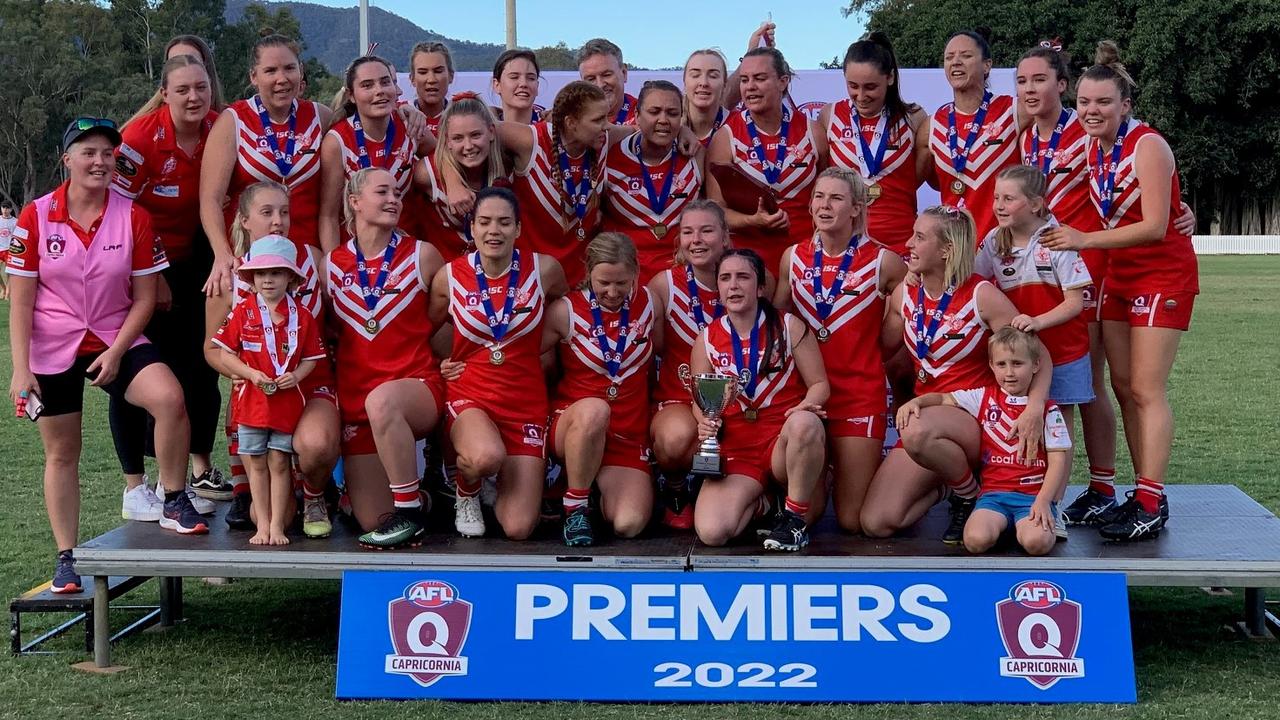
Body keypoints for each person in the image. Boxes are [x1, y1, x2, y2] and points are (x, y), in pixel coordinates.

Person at [7, 118, 204, 594]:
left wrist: (117, 351)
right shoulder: (36, 216)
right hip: (52, 346)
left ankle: (174, 497)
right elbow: (22, 298)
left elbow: (145, 297)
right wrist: (20, 368)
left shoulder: (132, 215)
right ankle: (66, 558)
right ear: (67, 159)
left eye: (108, 154)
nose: (99, 161)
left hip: (118, 334)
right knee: (62, 452)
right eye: (88, 152)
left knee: (169, 398)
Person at [1042, 41, 1199, 541]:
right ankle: (1122, 492)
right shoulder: (1090, 145)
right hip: (1117, 275)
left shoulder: (1148, 145)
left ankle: (1152, 498)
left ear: (1125, 105)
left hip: (1161, 273)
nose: (1091, 111)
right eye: (1084, 103)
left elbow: (1156, 225)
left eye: (1103, 103)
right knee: (1122, 388)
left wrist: (1085, 238)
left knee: (1147, 390)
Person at [860, 205, 1051, 544]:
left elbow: (1040, 356)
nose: (909, 244)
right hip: (929, 418)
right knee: (877, 521)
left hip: (975, 416)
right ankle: (952, 486)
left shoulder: (982, 295)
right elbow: (884, 348)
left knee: (917, 429)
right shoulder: (905, 293)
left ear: (947, 249)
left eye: (920, 238)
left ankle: (970, 495)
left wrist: (1034, 408)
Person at [110, 54, 226, 522]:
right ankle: (135, 487)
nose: (194, 97)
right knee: (138, 368)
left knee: (200, 367)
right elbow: (116, 210)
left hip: (200, 259)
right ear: (164, 93)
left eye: (201, 87)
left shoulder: (222, 128)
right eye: (183, 90)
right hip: (140, 264)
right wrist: (150, 273)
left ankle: (179, 480)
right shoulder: (138, 139)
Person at [430, 187, 567, 539]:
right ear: (472, 228)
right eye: (485, 222)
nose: (495, 231)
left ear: (518, 229)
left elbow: (564, 312)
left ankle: (495, 482)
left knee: (519, 528)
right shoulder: (449, 276)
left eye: (504, 223)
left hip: (525, 402)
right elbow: (426, 327)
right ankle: (467, 489)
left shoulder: (545, 270)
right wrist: (445, 362)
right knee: (485, 456)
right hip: (472, 395)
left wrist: (545, 351)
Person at [775, 168, 906, 533]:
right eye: (819, 196)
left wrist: (879, 352)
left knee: (853, 521)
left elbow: (910, 318)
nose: (824, 205)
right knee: (809, 512)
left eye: (835, 198)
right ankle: (823, 477)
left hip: (859, 396)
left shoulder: (886, 262)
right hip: (807, 398)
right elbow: (776, 324)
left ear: (856, 208)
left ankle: (935, 484)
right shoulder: (792, 257)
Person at [204, 181, 338, 537]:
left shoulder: (313, 258)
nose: (278, 221)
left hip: (308, 382)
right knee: (243, 411)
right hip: (258, 387)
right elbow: (211, 349)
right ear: (244, 220)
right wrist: (242, 373)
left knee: (315, 445)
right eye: (267, 213)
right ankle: (244, 491)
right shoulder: (225, 272)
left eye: (284, 212)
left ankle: (315, 495)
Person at [326, 167, 447, 549]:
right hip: (357, 402)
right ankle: (429, 500)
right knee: (371, 518)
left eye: (397, 192)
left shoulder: (423, 255)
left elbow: (447, 320)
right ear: (355, 202)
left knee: (384, 400)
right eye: (383, 192)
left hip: (416, 389)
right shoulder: (330, 265)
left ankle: (410, 512)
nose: (394, 199)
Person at [977, 165, 1091, 535]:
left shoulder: (1057, 239)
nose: (999, 205)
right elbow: (972, 279)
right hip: (1019, 357)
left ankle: (1052, 506)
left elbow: (1077, 302)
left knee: (1058, 434)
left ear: (1037, 204)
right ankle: (1013, 496)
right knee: (1020, 427)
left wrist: (1039, 322)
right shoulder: (995, 241)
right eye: (996, 198)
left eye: (1009, 198)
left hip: (1067, 350)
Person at [690, 249, 829, 551]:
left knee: (805, 424)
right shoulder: (707, 339)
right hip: (738, 448)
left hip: (782, 442)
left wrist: (805, 407)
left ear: (761, 287)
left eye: (743, 277)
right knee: (713, 532)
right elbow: (699, 400)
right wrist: (704, 422)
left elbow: (819, 384)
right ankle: (767, 504)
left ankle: (793, 519)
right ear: (718, 289)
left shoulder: (789, 326)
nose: (734, 285)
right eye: (725, 278)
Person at [898, 327, 1070, 556]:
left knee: (1036, 543)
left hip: (1032, 497)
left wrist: (1043, 501)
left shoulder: (1047, 411)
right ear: (991, 366)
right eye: (1001, 364)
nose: (1009, 372)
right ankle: (1004, 524)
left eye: (1018, 364)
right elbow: (942, 397)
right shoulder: (982, 397)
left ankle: (1025, 525)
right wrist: (917, 402)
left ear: (1036, 365)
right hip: (993, 496)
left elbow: (1059, 461)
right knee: (975, 540)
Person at [544, 232, 660, 546]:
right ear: (588, 273)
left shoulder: (650, 303)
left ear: (636, 272)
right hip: (576, 424)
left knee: (628, 524)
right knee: (596, 409)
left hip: (626, 434)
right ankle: (576, 507)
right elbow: (531, 364)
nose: (611, 292)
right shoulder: (564, 311)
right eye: (602, 282)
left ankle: (594, 488)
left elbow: (659, 349)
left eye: (621, 283)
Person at [200, 34, 331, 295]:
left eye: (289, 68)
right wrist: (222, 255)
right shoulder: (233, 120)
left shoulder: (321, 116)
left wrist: (410, 111)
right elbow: (210, 200)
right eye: (270, 70)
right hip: (250, 260)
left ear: (300, 71)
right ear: (254, 76)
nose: (281, 79)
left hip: (306, 257)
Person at [647, 201, 730, 528]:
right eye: (687, 232)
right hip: (678, 400)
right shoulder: (663, 285)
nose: (696, 239)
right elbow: (656, 348)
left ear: (725, 236)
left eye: (707, 230)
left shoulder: (745, 276)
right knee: (675, 438)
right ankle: (676, 488)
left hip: (740, 403)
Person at [707, 46, 819, 277]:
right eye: (745, 80)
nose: (750, 87)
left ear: (782, 81)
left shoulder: (814, 132)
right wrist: (752, 220)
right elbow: (715, 210)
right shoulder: (725, 137)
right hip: (750, 259)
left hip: (806, 256)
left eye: (759, 78)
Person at [814, 33, 929, 256]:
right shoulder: (830, 116)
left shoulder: (914, 117)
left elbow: (917, 177)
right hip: (845, 246)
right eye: (853, 86)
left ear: (890, 78)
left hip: (900, 243)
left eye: (870, 87)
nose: (860, 95)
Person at [503, 81, 612, 285]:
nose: (606, 125)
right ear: (571, 123)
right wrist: (454, 181)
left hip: (580, 280)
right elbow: (476, 128)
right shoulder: (532, 140)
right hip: (530, 278)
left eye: (606, 117)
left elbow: (641, 131)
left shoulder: (605, 139)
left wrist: (684, 132)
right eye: (598, 119)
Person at [602, 80, 705, 283]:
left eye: (673, 113)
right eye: (654, 111)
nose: (663, 120)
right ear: (637, 115)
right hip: (625, 275)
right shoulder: (608, 155)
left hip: (682, 275)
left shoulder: (696, 154)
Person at [320, 54, 419, 253]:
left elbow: (444, 160)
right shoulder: (337, 140)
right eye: (367, 85)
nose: (379, 91)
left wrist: (452, 184)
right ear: (351, 95)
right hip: (356, 255)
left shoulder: (410, 124)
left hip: (405, 253)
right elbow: (328, 215)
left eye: (385, 82)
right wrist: (333, 266)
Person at [926, 30, 1019, 240]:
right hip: (956, 250)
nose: (956, 62)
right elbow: (934, 180)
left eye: (966, 56)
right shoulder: (932, 125)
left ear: (987, 65)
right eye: (949, 57)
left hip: (1006, 247)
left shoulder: (1013, 110)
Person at [415, 94, 509, 263]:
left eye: (475, 135)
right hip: (444, 278)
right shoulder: (426, 173)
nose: (468, 146)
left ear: (491, 132)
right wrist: (452, 182)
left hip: (499, 276)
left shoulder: (510, 166)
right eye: (458, 138)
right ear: (447, 141)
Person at [124, 34, 227, 127]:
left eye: (193, 61)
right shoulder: (144, 130)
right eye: (174, 62)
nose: (184, 66)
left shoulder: (230, 119)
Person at [578, 38, 637, 125]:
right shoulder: (571, 118)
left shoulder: (646, 114)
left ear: (624, 73)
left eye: (607, 75)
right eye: (591, 79)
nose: (600, 85)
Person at [682, 49, 729, 147]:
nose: (703, 83)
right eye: (695, 75)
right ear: (684, 82)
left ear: (724, 84)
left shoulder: (740, 124)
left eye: (713, 76)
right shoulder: (670, 126)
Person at [409, 41, 455, 136]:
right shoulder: (399, 115)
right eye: (423, 72)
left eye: (438, 71)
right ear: (412, 79)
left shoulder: (464, 114)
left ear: (451, 76)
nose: (431, 80)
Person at [491, 48, 542, 124]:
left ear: (537, 86)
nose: (523, 83)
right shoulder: (484, 130)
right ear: (497, 85)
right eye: (514, 77)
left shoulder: (553, 130)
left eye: (531, 78)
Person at [0, 201, 17, 299]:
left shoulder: (15, 221)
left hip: (10, 249)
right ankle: (3, 288)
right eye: (3, 208)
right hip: (0, 249)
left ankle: (7, 292)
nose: (5, 210)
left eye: (7, 208)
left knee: (9, 273)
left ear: (11, 209)